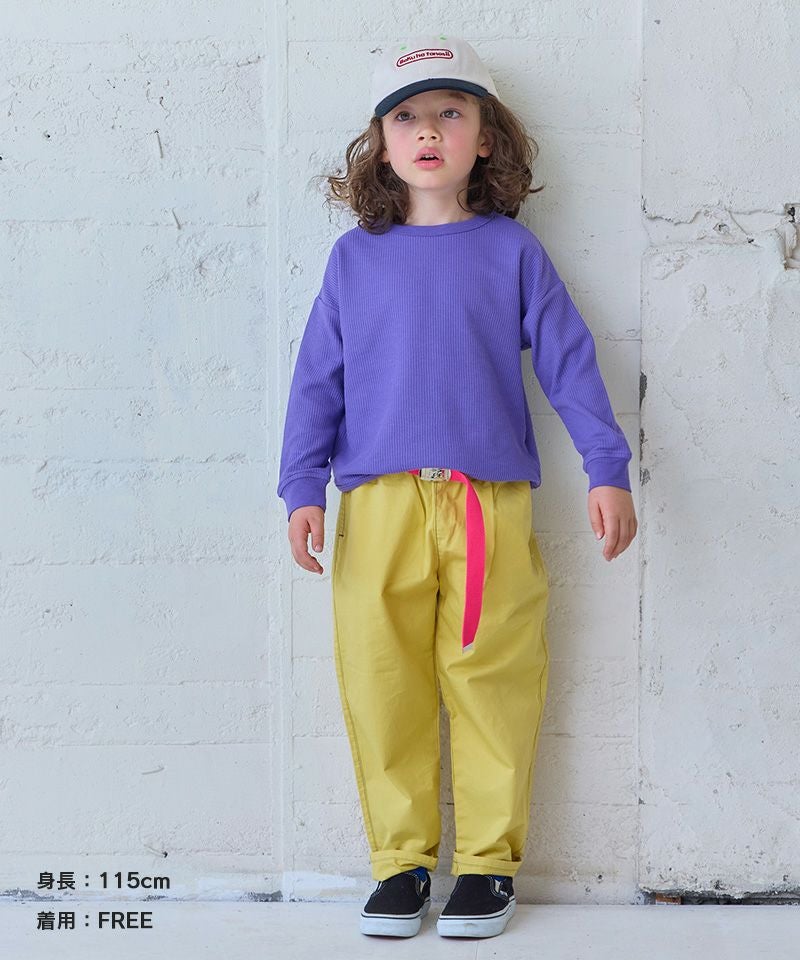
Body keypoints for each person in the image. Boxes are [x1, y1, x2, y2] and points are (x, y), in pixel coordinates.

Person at [277, 34, 638, 940]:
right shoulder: (355, 260)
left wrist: (606, 467)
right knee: (382, 682)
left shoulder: (511, 252)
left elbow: (569, 362)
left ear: (486, 138)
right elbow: (317, 379)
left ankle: (485, 866)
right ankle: (400, 864)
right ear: (381, 144)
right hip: (377, 506)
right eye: (407, 116)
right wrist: (302, 486)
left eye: (451, 112)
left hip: (486, 507)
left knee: (494, 681)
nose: (429, 132)